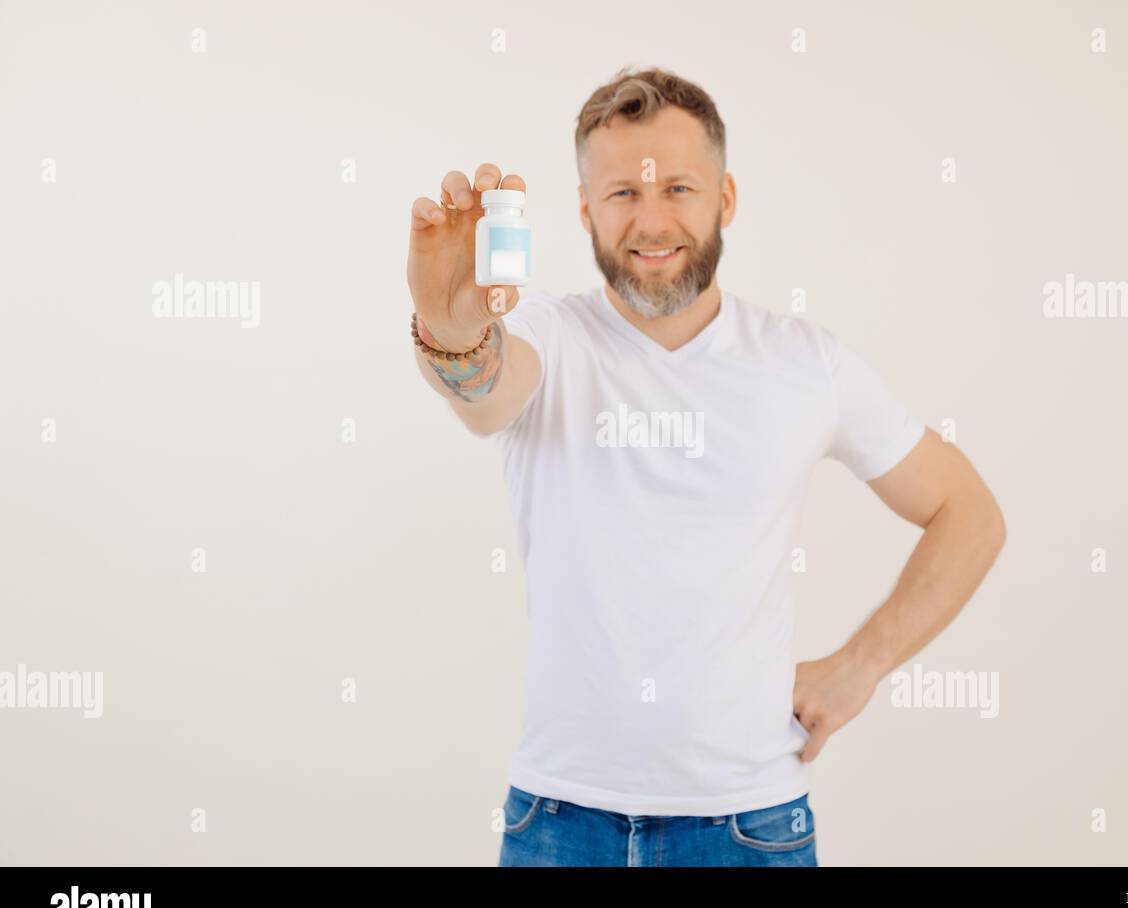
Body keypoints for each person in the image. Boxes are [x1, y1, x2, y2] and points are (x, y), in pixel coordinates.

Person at [407, 66, 1006, 866]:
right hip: (559, 824)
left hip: (749, 828)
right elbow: (483, 388)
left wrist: (860, 667)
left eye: (678, 188)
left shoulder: (805, 364)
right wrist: (450, 330)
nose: (652, 222)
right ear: (585, 211)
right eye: (622, 194)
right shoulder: (547, 336)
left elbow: (969, 515)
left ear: (725, 200)